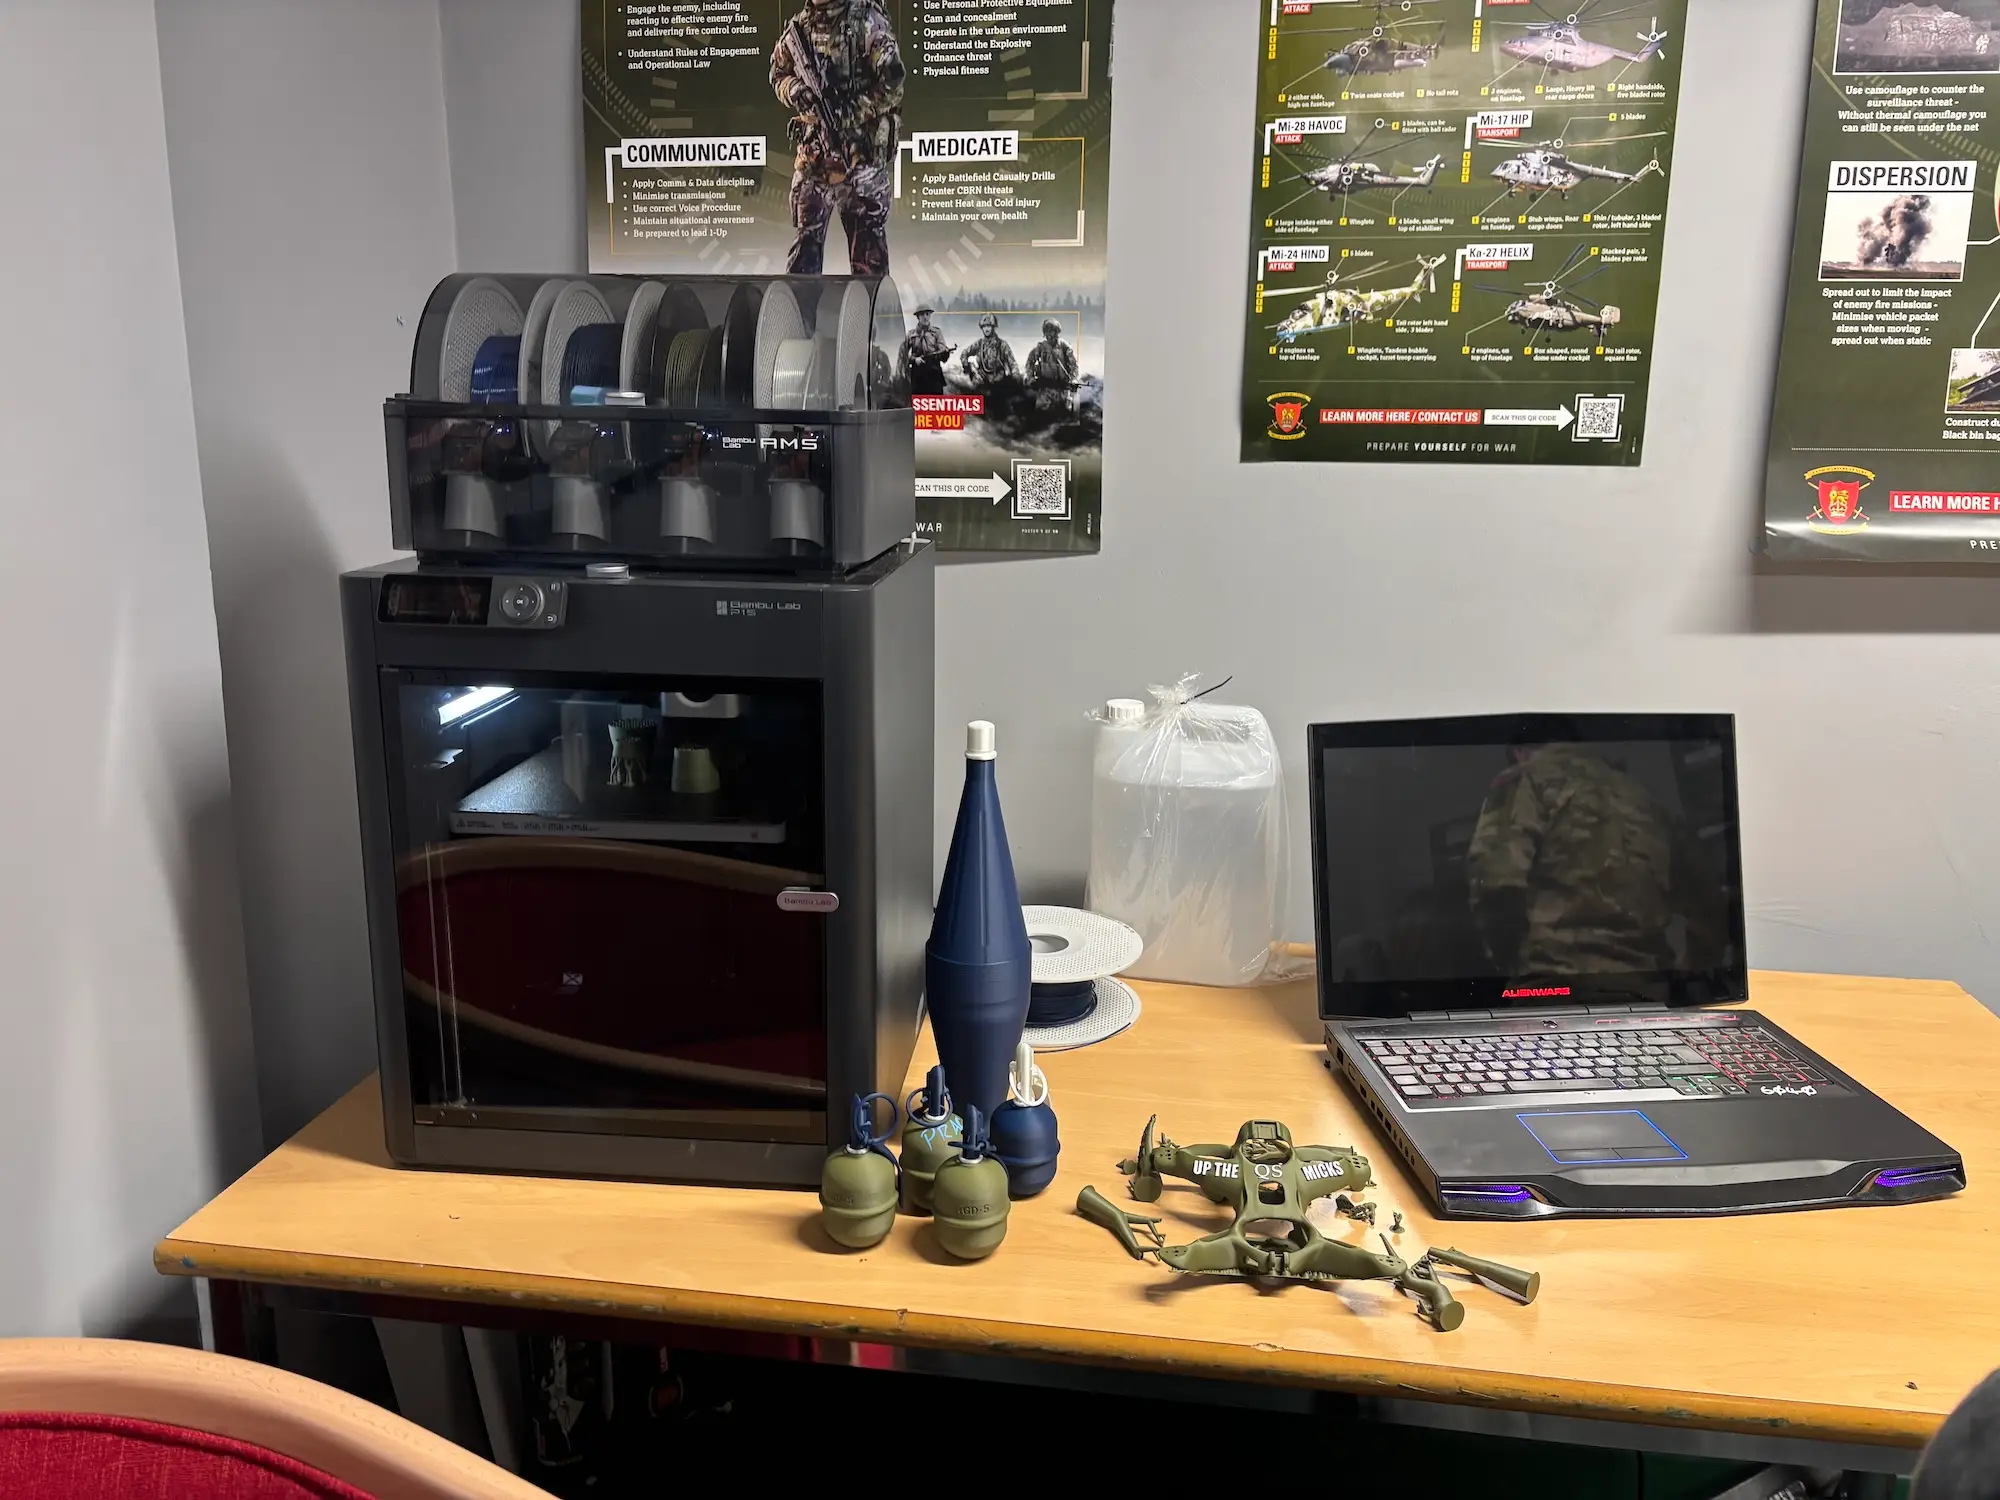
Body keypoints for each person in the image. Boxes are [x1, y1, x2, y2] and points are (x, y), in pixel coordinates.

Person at [1464, 742, 1676, 976]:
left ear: (1520, 751)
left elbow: (1495, 880)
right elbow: (1703, 900)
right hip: (1648, 982)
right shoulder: (1641, 795)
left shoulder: (1527, 778)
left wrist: (1508, 964)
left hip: (1556, 979)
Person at [768, 0, 905, 275]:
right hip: (815, 160)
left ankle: (867, 306)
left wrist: (848, 112)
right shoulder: (801, 26)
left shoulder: (866, 19)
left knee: (868, 259)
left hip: (860, 159)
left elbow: (892, 84)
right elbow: (778, 74)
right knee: (804, 256)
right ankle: (800, 305)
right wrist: (795, 89)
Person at [1024, 318, 1080, 409]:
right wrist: (1031, 378)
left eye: (1052, 332)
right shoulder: (1041, 348)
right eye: (1047, 332)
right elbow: (1029, 362)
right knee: (1040, 411)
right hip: (1046, 389)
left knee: (1066, 411)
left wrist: (1074, 379)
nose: (1049, 335)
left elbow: (1074, 365)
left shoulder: (1064, 346)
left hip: (1063, 388)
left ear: (1057, 332)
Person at [897, 307, 953, 396]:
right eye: (922, 314)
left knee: (936, 402)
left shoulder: (936, 333)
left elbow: (942, 354)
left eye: (927, 314)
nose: (925, 317)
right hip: (918, 377)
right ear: (918, 317)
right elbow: (902, 355)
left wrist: (945, 353)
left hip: (934, 375)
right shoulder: (911, 335)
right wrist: (914, 360)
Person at [960, 314, 1018, 387]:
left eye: (988, 326)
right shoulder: (979, 343)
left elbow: (1013, 363)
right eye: (984, 326)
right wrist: (966, 366)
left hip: (999, 382)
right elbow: (964, 353)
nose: (986, 329)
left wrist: (1015, 377)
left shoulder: (1002, 345)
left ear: (993, 327)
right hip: (981, 382)